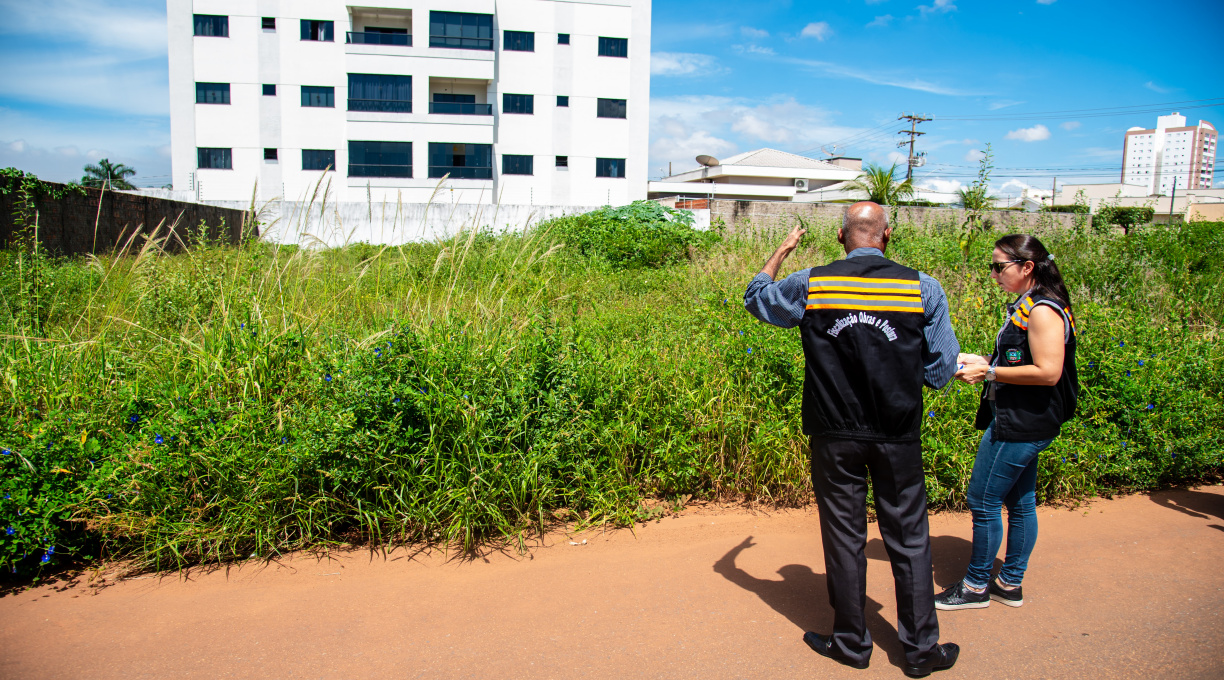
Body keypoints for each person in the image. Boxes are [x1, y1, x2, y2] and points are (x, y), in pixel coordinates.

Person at [743, 202, 961, 677]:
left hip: (833, 433)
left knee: (844, 536)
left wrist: (779, 253)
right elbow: (943, 368)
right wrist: (904, 375)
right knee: (909, 538)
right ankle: (922, 651)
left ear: (842, 238)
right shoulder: (923, 287)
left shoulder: (813, 282)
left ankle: (850, 643)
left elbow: (757, 300)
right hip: (897, 433)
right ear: (887, 237)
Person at [935, 234, 1078, 611]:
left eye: (1000, 266)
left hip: (1022, 423)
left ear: (1027, 267)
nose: (994, 274)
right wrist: (983, 361)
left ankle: (976, 586)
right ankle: (1009, 582)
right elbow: (1023, 360)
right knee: (1021, 502)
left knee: (983, 500)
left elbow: (1048, 371)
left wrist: (990, 373)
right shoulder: (1030, 305)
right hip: (1028, 418)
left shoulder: (1043, 309)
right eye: (992, 266)